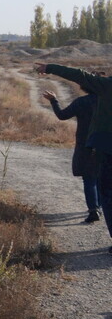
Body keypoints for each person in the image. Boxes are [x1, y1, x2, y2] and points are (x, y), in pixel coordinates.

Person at [36, 63, 112, 250]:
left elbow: (79, 75)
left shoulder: (103, 89)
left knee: (104, 191)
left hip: (103, 147)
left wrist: (49, 67)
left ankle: (94, 211)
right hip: (102, 147)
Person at [43, 86, 101, 222]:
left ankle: (94, 210)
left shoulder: (82, 102)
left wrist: (53, 100)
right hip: (106, 144)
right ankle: (100, 207)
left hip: (85, 144)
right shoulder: (107, 101)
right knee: (101, 177)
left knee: (89, 178)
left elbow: (62, 115)